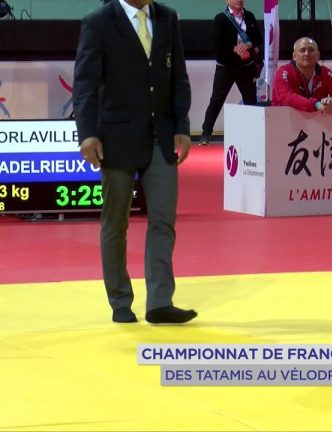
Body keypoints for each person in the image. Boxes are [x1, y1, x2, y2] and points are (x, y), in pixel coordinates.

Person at [73, 0, 197, 324]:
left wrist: (182, 127)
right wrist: (87, 133)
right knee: (116, 222)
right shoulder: (98, 21)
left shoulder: (168, 17)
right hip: (115, 138)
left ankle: (159, 302)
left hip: (162, 133)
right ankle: (120, 302)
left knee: (163, 219)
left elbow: (178, 76)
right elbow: (84, 85)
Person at [199, 0, 263, 146]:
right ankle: (206, 133)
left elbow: (258, 38)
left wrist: (248, 45)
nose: (239, 0)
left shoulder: (250, 16)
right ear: (227, 0)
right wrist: (235, 49)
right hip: (226, 67)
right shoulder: (220, 18)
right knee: (216, 100)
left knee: (251, 100)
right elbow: (217, 44)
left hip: (247, 66)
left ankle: (254, 134)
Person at [271, 37, 332, 113]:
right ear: (294, 56)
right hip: (281, 121)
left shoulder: (325, 73)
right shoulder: (284, 71)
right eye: (302, 50)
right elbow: (287, 98)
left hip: (315, 125)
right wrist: (315, 104)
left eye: (311, 50)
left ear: (318, 55)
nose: (307, 53)